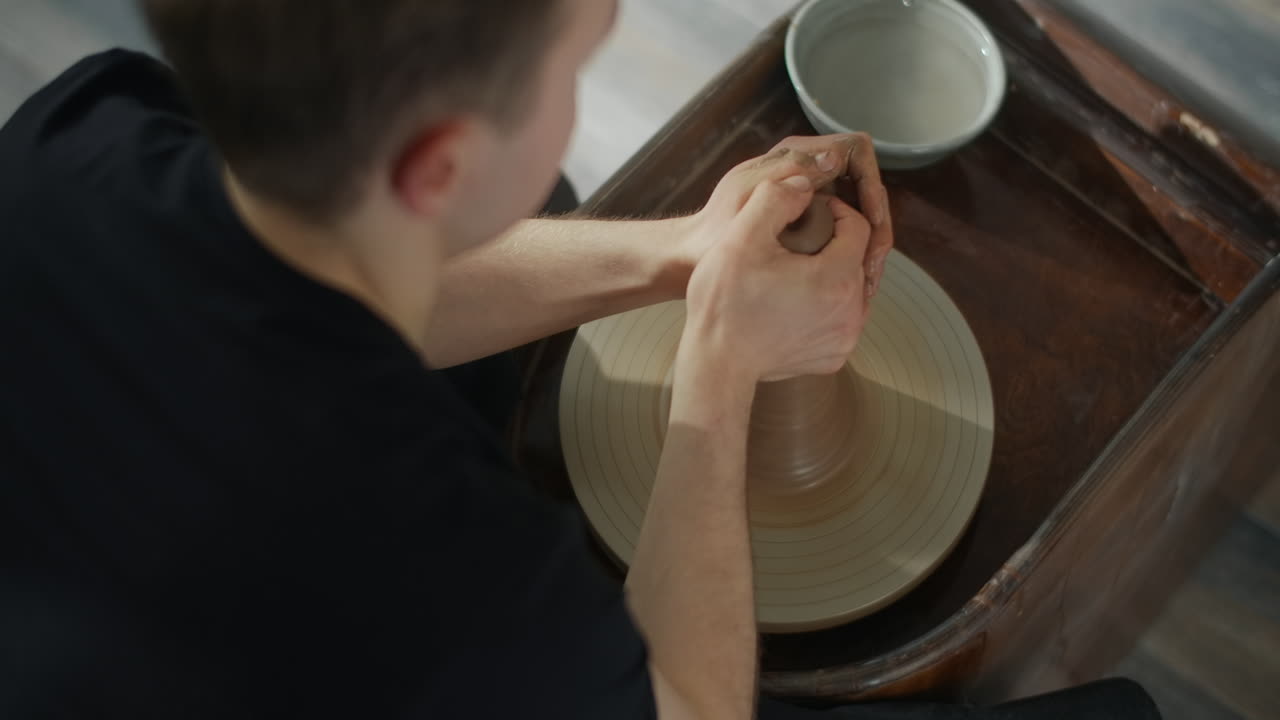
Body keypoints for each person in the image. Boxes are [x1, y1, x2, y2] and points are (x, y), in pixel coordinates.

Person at [0, 1, 1159, 718]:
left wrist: (682, 255)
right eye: (574, 67)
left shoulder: (80, 136)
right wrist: (719, 361)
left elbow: (329, 269)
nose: (574, 96)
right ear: (440, 166)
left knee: (554, 213)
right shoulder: (420, 552)